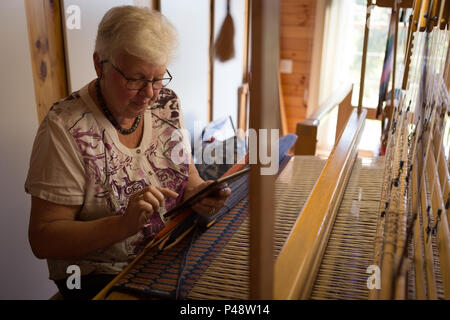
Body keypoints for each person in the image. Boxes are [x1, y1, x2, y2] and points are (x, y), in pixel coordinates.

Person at [25, 6, 230, 300]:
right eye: (135, 79)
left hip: (166, 251)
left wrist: (201, 194)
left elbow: (188, 178)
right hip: (99, 278)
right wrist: (123, 225)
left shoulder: (166, 104)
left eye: (158, 78)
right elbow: (43, 239)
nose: (149, 93)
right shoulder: (65, 128)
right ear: (100, 65)